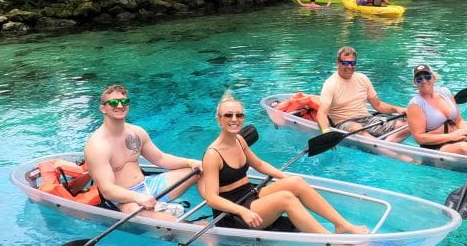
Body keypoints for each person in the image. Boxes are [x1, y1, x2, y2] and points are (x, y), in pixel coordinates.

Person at [200, 92, 368, 234]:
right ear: (219, 120)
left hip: (249, 194)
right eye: (228, 115)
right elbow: (211, 198)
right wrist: (242, 211)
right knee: (286, 198)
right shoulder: (213, 154)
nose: (234, 119)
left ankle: (341, 224)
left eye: (239, 115)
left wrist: (285, 179)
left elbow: (260, 165)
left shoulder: (239, 141)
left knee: (296, 183)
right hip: (232, 214)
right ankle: (330, 240)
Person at [84, 84, 201, 218]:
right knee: (143, 213)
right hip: (124, 199)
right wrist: (137, 197)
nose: (120, 106)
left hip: (148, 185)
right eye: (114, 103)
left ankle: (222, 211)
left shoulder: (137, 132)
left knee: (199, 171)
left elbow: (161, 158)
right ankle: (186, 226)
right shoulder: (97, 146)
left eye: (124, 102)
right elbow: (107, 190)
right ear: (103, 108)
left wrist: (191, 162)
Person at [316, 46, 409, 142]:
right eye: (345, 63)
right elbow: (321, 114)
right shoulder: (330, 84)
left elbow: (378, 105)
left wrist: (397, 109)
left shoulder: (363, 78)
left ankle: (385, 145)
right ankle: (382, 146)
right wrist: (326, 132)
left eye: (353, 63)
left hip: (367, 119)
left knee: (408, 125)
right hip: (345, 123)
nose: (349, 66)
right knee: (356, 127)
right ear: (337, 63)